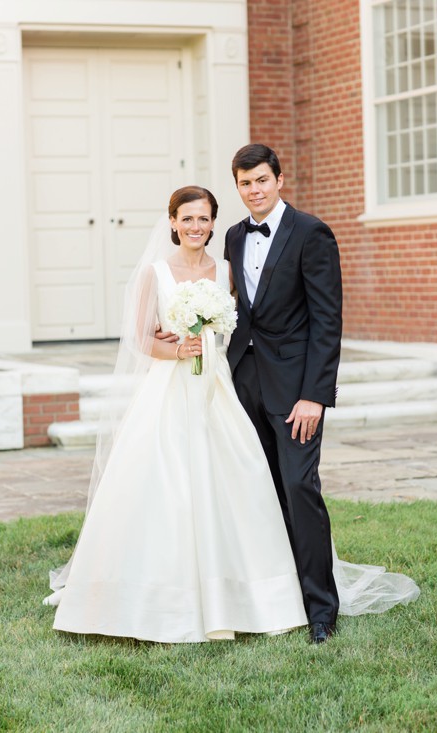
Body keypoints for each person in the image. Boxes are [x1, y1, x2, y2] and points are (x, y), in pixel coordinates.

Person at [46, 186, 309, 642]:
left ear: (212, 223)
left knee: (237, 477)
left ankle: (254, 593)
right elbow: (140, 339)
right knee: (161, 483)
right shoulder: (155, 273)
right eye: (186, 219)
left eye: (204, 219)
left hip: (216, 390)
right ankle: (152, 597)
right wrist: (176, 351)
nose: (195, 227)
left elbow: (240, 323)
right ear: (172, 223)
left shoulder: (225, 270)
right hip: (167, 390)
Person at [224, 144, 344, 644]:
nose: (254, 190)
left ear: (279, 180)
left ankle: (321, 609)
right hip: (241, 381)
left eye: (261, 180)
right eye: (245, 183)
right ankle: (275, 595)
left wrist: (314, 395)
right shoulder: (231, 235)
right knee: (259, 492)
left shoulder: (311, 232)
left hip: (296, 390)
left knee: (299, 488)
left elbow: (327, 319)